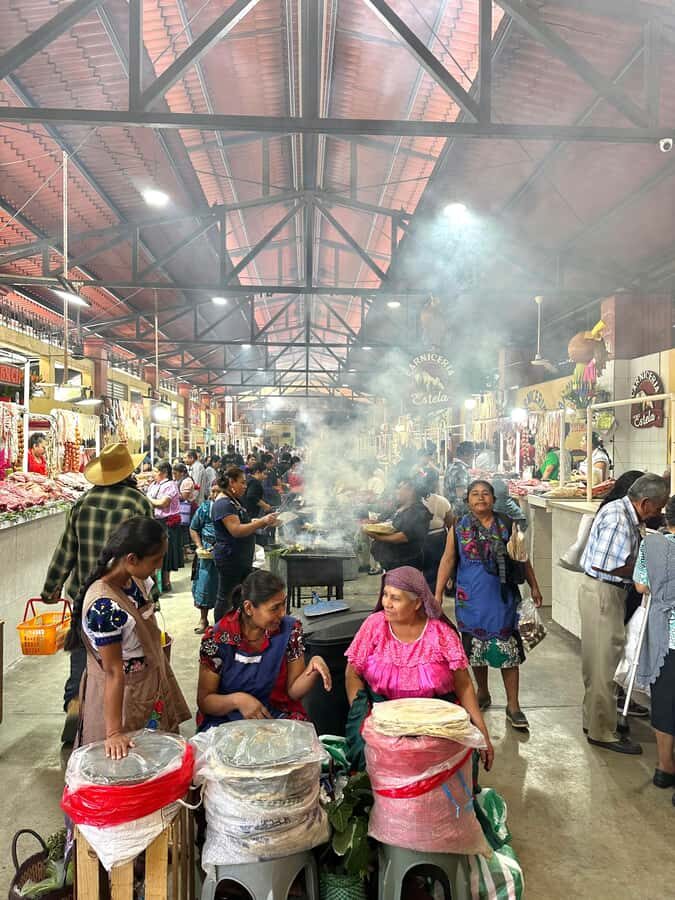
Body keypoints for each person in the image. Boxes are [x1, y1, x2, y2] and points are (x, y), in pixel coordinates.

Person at [40, 443, 149, 744]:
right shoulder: (137, 503)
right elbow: (149, 549)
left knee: (83, 656)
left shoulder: (82, 503)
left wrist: (51, 590)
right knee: (120, 663)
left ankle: (76, 702)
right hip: (121, 597)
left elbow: (66, 551)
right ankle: (117, 719)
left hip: (85, 598)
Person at [345, 566, 493, 772]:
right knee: (368, 755)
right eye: (385, 595)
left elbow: (464, 684)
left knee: (455, 756)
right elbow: (352, 674)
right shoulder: (374, 626)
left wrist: (481, 730)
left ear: (416, 603)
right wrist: (364, 714)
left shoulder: (440, 633)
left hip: (434, 718)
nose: (386, 603)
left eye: (395, 598)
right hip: (383, 716)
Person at [68, 517, 190, 758]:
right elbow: (114, 671)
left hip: (146, 685)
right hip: (123, 697)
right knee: (129, 763)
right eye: (156, 560)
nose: (159, 565)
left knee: (156, 757)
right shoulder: (105, 607)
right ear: (132, 559)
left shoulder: (133, 580)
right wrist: (114, 732)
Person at [435, 480, 543, 730]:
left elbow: (522, 558)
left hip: (502, 597)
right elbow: (448, 558)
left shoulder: (506, 523)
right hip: (470, 598)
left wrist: (535, 586)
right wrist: (437, 593)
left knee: (509, 653)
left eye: (486, 494)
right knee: (475, 649)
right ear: (468, 500)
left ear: (494, 499)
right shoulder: (458, 526)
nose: (480, 498)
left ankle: (513, 705)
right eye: (475, 494)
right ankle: (482, 692)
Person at [579, 472, 668, 754]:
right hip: (605, 592)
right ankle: (602, 732)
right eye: (658, 506)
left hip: (600, 592)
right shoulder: (619, 518)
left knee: (597, 662)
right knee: (605, 663)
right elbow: (608, 564)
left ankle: (594, 719)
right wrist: (648, 572)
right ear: (644, 503)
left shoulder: (623, 512)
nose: (660, 512)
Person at [197, 570, 331, 727]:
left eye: (284, 604)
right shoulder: (217, 638)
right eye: (274, 608)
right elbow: (205, 701)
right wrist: (238, 700)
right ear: (249, 608)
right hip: (226, 718)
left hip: (274, 714)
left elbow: (293, 692)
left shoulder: (290, 630)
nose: (282, 613)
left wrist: (314, 666)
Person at [633, 496, 675, 795]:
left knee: (664, 699)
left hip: (663, 635)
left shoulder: (652, 545)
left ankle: (664, 766)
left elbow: (641, 585)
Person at [212, 467, 278, 620]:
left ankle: (235, 628)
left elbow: (242, 522)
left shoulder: (233, 501)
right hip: (230, 558)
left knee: (238, 596)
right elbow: (235, 530)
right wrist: (261, 522)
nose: (245, 486)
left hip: (240, 557)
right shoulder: (223, 504)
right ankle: (220, 632)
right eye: (241, 483)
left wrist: (261, 522)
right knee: (226, 596)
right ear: (231, 482)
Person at [368, 477, 432, 573]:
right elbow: (386, 523)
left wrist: (378, 537)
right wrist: (372, 524)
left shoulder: (419, 511)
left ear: (411, 491)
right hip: (390, 562)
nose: (396, 491)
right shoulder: (398, 507)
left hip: (406, 563)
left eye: (400, 488)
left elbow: (404, 536)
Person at [190, 483, 224, 635]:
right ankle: (203, 619)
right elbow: (194, 527)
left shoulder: (230, 508)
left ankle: (224, 622)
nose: (214, 495)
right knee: (205, 584)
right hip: (207, 554)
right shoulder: (204, 508)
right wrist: (199, 546)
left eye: (218, 492)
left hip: (225, 553)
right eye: (213, 491)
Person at [146, 461, 183, 592]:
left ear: (164, 473)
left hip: (167, 522)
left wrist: (147, 499)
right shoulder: (154, 485)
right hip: (156, 521)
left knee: (167, 553)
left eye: (155, 471)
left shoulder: (170, 486)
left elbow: (163, 503)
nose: (153, 474)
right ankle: (159, 582)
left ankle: (166, 582)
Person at [421, 471, 453, 590]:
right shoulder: (442, 501)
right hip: (438, 538)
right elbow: (451, 524)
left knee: (423, 569)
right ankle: (433, 596)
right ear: (436, 483)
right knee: (435, 570)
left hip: (421, 538)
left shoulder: (419, 501)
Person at [444, 441, 474, 518]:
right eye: (472, 455)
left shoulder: (450, 466)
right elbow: (461, 494)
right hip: (459, 511)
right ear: (466, 454)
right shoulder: (461, 469)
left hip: (450, 508)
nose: (473, 458)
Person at [173, 461, 196, 552]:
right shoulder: (179, 480)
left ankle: (186, 549)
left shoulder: (187, 481)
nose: (174, 475)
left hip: (186, 508)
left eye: (175, 473)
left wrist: (172, 494)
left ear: (182, 473)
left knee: (185, 528)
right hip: (182, 507)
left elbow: (184, 497)